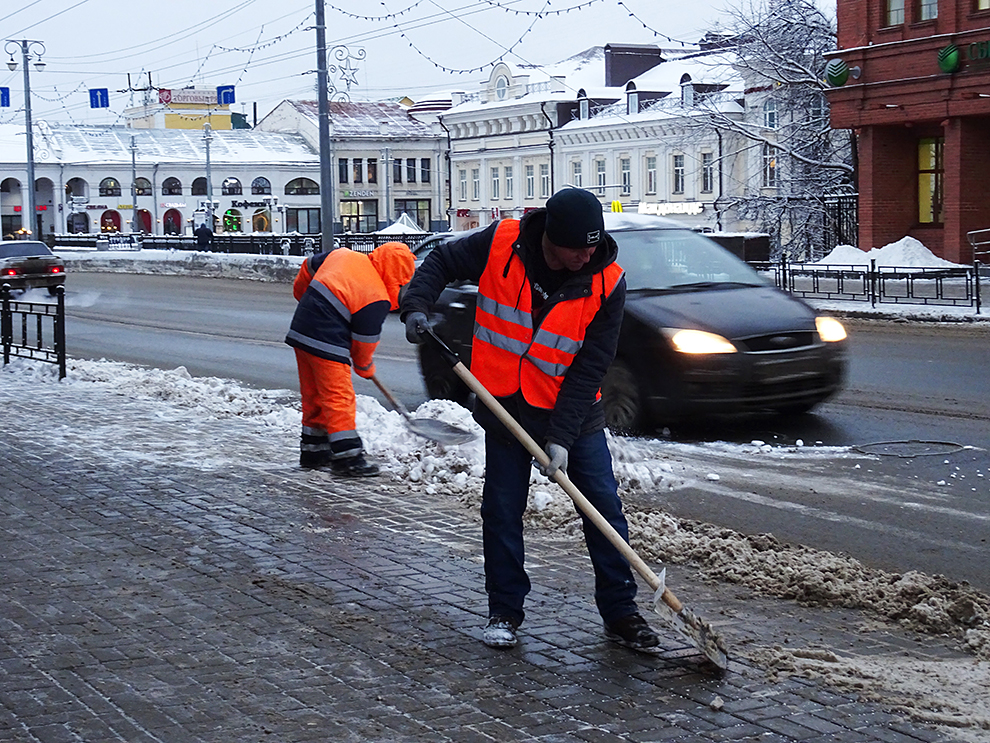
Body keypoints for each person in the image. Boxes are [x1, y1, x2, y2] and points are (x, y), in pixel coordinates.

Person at [400, 188, 660, 652]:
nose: (586, 255)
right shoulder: (502, 242)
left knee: (602, 509)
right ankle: (504, 610)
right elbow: (440, 262)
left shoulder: (607, 281)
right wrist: (417, 304)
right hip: (504, 404)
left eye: (593, 246)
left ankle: (622, 612)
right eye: (577, 247)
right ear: (551, 240)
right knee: (502, 509)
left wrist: (561, 437)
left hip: (574, 415)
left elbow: (590, 366)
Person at [286, 241, 414, 477]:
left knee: (314, 394)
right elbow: (364, 344)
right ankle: (347, 458)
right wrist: (365, 366)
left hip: (301, 331)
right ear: (399, 275)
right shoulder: (376, 295)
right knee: (339, 398)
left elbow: (308, 266)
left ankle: (313, 452)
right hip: (328, 341)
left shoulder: (343, 255)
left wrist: (305, 299)